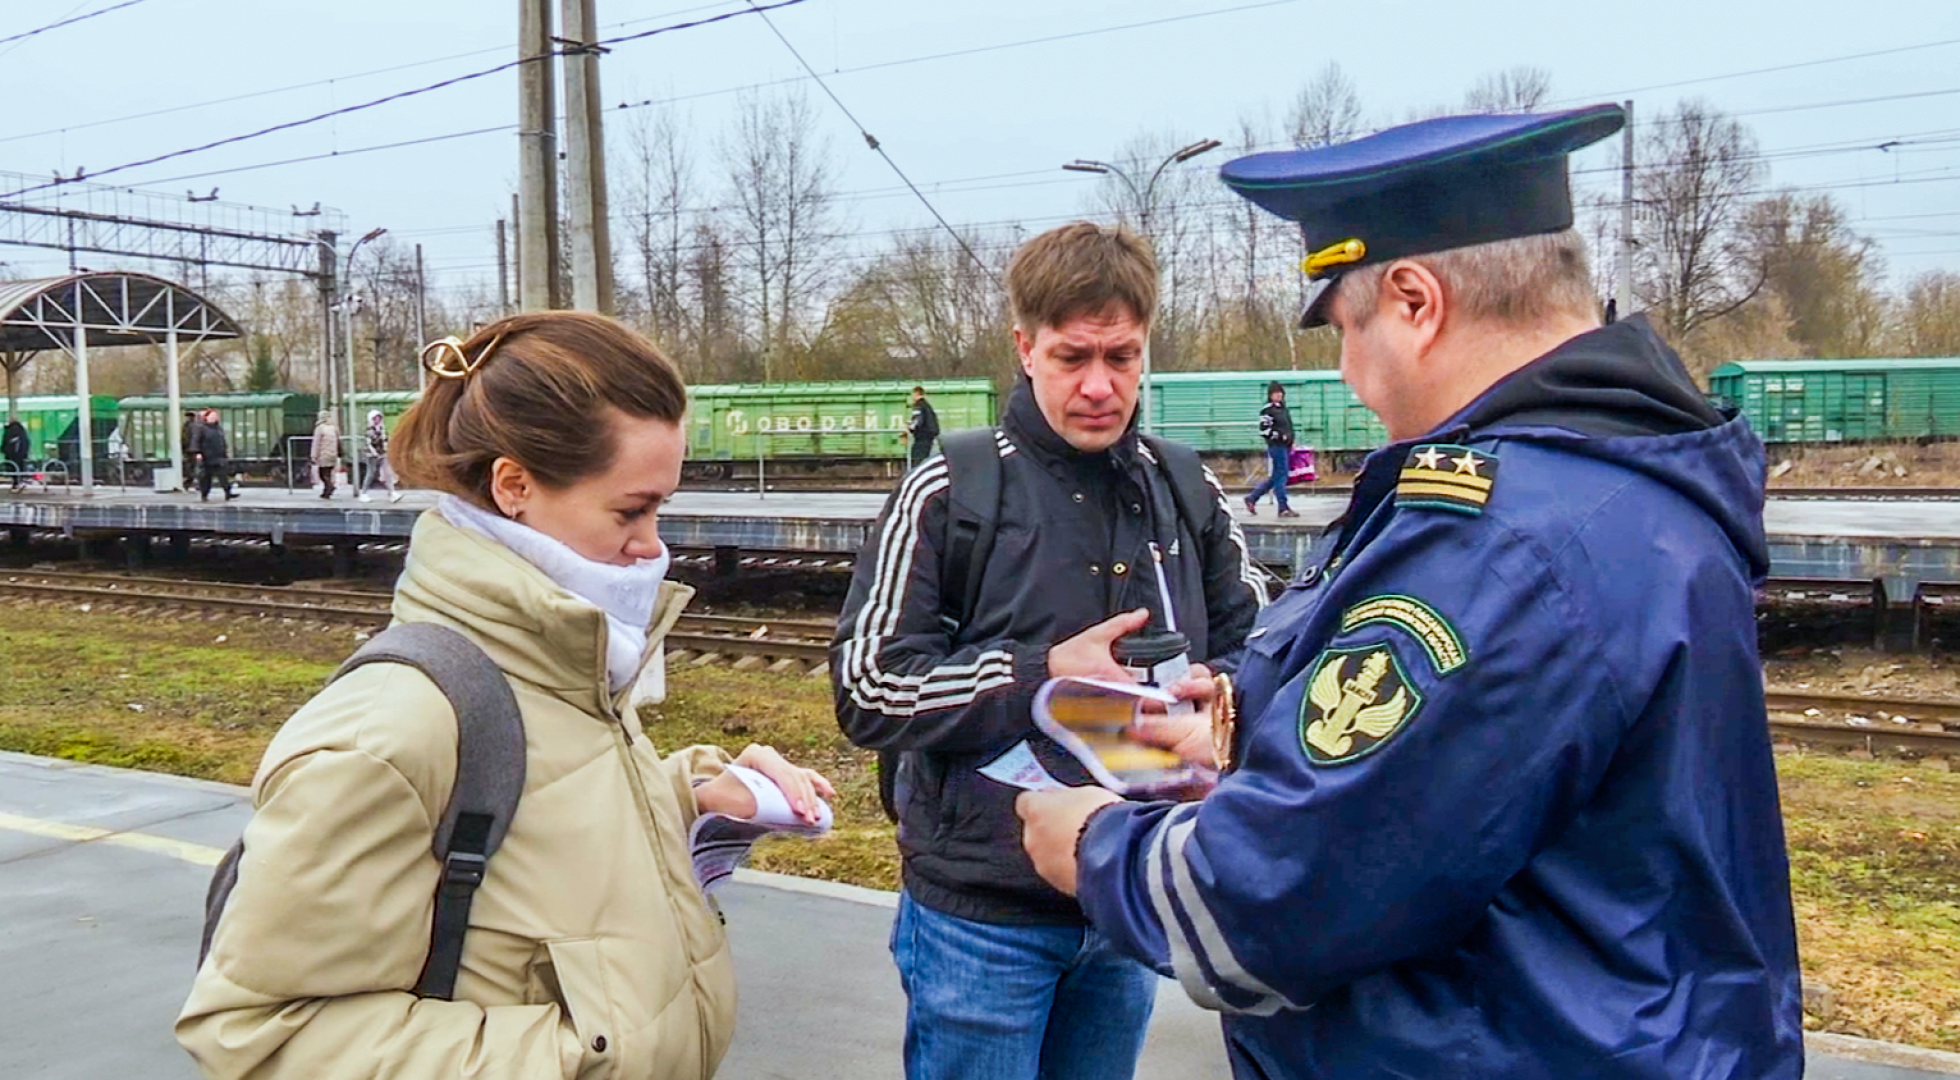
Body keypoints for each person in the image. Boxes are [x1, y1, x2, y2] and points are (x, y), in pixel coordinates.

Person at [1016, 106, 1803, 1079]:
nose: (1349, 377)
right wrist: (1245, 730)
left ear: (1415, 301)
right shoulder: (1630, 485)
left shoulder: (1496, 542)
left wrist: (1097, 845)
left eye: (1346, 330)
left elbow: (1275, 905)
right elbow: (1482, 767)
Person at [179, 310, 836, 1079]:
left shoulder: (563, 655)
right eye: (632, 508)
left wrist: (690, 798)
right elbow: (261, 1032)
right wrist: (585, 1058)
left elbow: (541, 825)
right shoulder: (391, 730)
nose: (653, 542)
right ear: (515, 485)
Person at [832, 222, 1267, 1080]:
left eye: (1123, 356)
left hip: (1126, 898)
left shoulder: (1187, 487)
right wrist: (1039, 674)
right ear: (1025, 347)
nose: (1101, 386)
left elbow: (1264, 648)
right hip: (980, 922)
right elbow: (867, 689)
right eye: (1074, 358)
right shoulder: (949, 489)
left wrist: (1221, 690)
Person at [1243, 381, 1298, 518]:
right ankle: (1283, 507)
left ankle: (1252, 497)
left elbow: (1289, 426)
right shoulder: (1267, 410)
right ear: (1270, 395)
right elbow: (1264, 430)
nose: (1279, 395)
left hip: (1285, 446)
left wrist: (1292, 440)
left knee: (1276, 477)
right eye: (1276, 393)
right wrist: (1280, 436)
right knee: (1281, 476)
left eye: (1280, 393)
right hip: (1276, 446)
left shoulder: (1284, 409)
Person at [191, 408, 235, 501]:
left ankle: (228, 492)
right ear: (206, 418)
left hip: (219, 456)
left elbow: (222, 442)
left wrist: (225, 452)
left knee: (223, 475)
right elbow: (196, 441)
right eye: (212, 416)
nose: (214, 418)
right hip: (207, 456)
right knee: (206, 478)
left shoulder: (218, 428)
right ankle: (204, 494)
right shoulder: (201, 428)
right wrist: (197, 452)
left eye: (215, 416)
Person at [359, 408, 403, 502]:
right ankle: (363, 493)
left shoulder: (382, 429)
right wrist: (374, 452)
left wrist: (387, 449)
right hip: (372, 455)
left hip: (382, 454)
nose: (377, 420)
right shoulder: (369, 430)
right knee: (371, 473)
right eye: (375, 418)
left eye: (379, 418)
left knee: (387, 473)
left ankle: (392, 493)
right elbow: (368, 443)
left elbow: (386, 440)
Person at [900, 384, 939, 471]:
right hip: (928, 436)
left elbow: (917, 421)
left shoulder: (919, 405)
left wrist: (908, 429)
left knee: (917, 459)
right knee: (924, 459)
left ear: (916, 394)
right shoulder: (927, 406)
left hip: (922, 437)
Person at [310, 410, 340, 499]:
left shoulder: (320, 428)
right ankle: (326, 492)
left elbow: (316, 443)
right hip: (333, 454)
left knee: (322, 474)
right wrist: (339, 453)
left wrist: (313, 455)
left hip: (323, 454)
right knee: (328, 473)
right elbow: (339, 441)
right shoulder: (334, 428)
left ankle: (330, 487)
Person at [3, 418, 30, 491]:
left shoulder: (10, 431)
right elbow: (26, 443)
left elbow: (6, 443)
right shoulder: (21, 430)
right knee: (20, 468)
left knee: (13, 469)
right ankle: (19, 482)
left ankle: (16, 483)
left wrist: (5, 450)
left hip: (12, 455)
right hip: (20, 455)